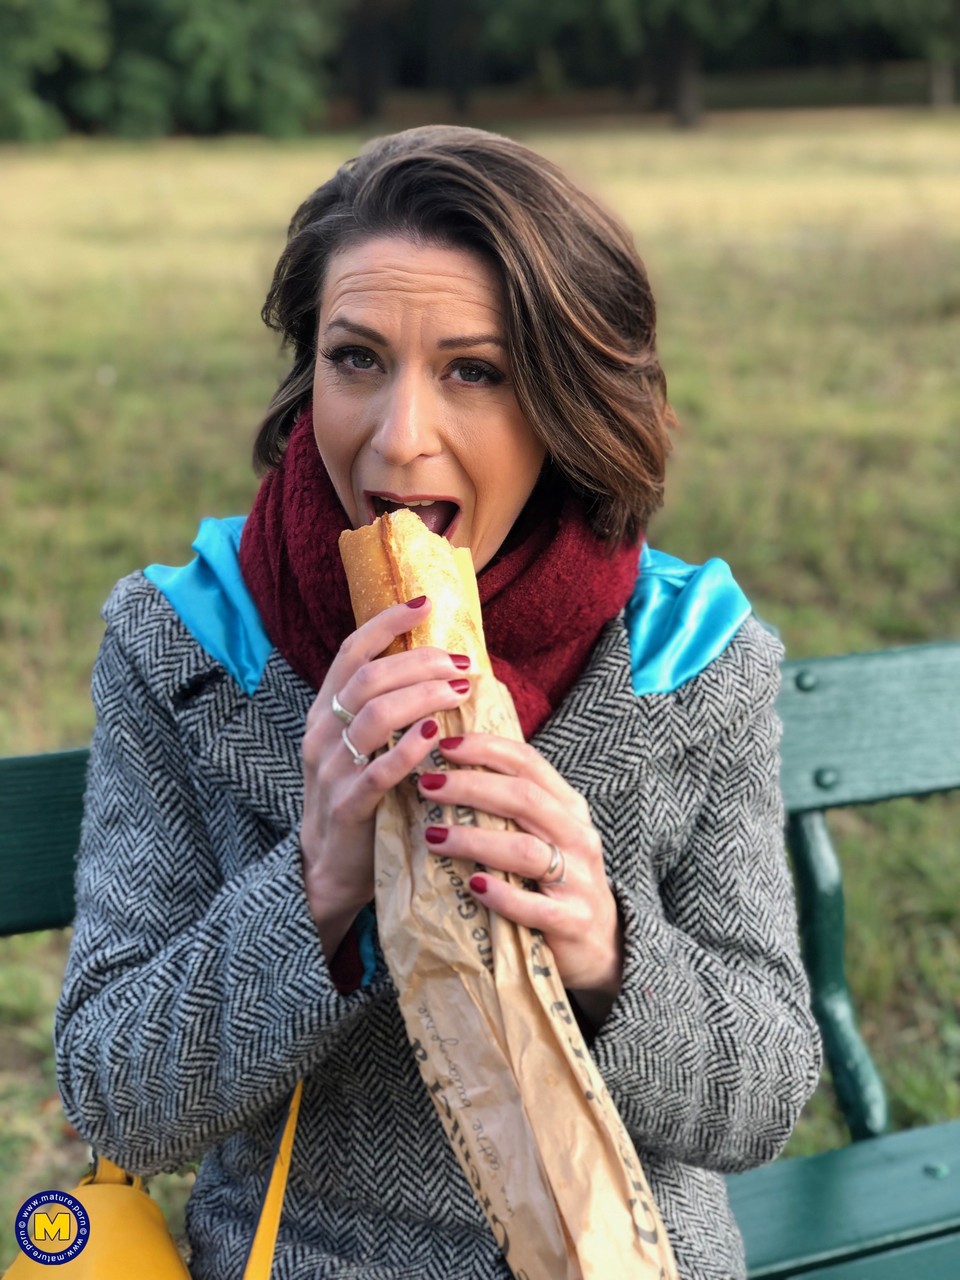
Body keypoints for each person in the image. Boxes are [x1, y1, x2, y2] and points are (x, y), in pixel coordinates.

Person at [55, 125, 821, 1280]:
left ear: (569, 398)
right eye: (357, 357)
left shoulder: (690, 659)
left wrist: (609, 949)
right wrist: (311, 885)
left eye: (475, 370)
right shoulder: (190, 645)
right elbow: (120, 1098)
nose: (398, 438)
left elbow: (759, 1100)